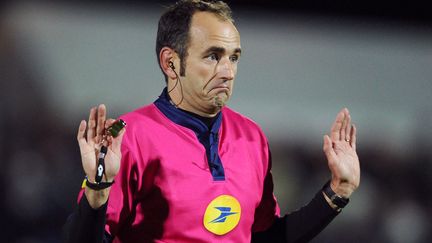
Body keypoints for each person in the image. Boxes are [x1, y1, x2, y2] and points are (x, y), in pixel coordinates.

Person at [63, 0, 360, 242]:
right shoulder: (130, 137)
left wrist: (338, 191)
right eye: (213, 56)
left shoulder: (251, 137)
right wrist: (97, 189)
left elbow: (264, 239)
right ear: (170, 62)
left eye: (233, 58)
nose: (228, 72)